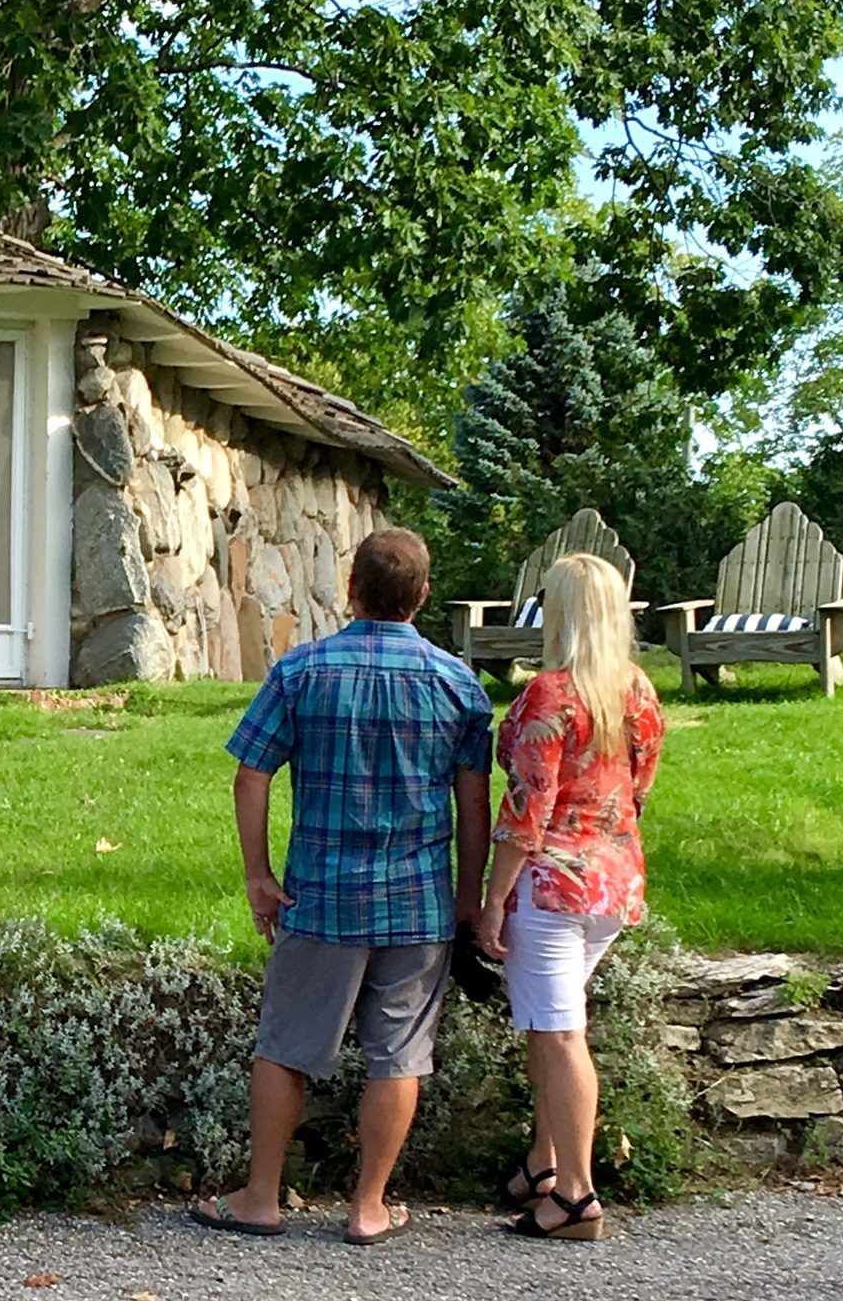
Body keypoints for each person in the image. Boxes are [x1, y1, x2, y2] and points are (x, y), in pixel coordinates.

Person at [191, 526, 493, 1246]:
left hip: (320, 898)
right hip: (417, 901)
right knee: (400, 1056)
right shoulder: (458, 684)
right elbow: (475, 802)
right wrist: (469, 895)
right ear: (422, 596)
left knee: (286, 1045)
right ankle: (368, 1205)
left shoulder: (301, 672)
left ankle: (261, 1195)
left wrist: (258, 874)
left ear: (349, 588)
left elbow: (250, 773)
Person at [474, 551, 664, 1243]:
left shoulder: (550, 694)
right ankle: (544, 1164)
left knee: (558, 1033)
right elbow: (638, 787)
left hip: (552, 884)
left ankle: (577, 1196)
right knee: (550, 1023)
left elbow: (526, 810)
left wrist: (493, 899)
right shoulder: (636, 690)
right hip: (614, 880)